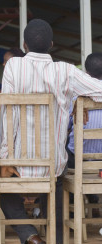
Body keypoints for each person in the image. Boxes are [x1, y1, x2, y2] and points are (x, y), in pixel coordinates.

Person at [0, 19, 102, 244]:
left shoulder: (13, 66)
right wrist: (80, 99)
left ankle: (32, 236)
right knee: (55, 182)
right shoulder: (65, 71)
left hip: (19, 165)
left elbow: (7, 114)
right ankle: (55, 240)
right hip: (53, 166)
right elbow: (98, 89)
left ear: (24, 45)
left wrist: (6, 158)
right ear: (52, 45)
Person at [66, 53, 102, 216]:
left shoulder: (76, 97)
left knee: (64, 157)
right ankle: (91, 196)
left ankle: (73, 211)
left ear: (86, 73)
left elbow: (65, 126)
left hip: (78, 160)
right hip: (101, 165)